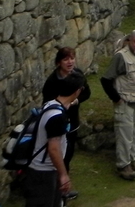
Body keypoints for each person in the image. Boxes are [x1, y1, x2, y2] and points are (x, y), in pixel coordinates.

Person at [24, 70, 86, 207]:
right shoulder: (57, 117)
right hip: (43, 173)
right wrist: (63, 175)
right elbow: (53, 148)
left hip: (42, 170)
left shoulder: (51, 105)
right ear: (77, 91)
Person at [41, 47, 91, 195]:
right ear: (59, 62)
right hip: (57, 124)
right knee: (57, 155)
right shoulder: (52, 81)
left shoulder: (78, 75)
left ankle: (63, 189)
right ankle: (57, 189)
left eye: (72, 58)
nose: (70, 62)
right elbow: (47, 102)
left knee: (67, 155)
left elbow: (87, 92)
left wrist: (75, 101)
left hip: (72, 122)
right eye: (66, 59)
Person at [100, 29, 135, 181]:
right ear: (129, 40)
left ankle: (131, 160)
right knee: (124, 134)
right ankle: (123, 166)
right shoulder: (121, 57)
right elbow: (106, 80)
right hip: (124, 102)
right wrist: (116, 99)